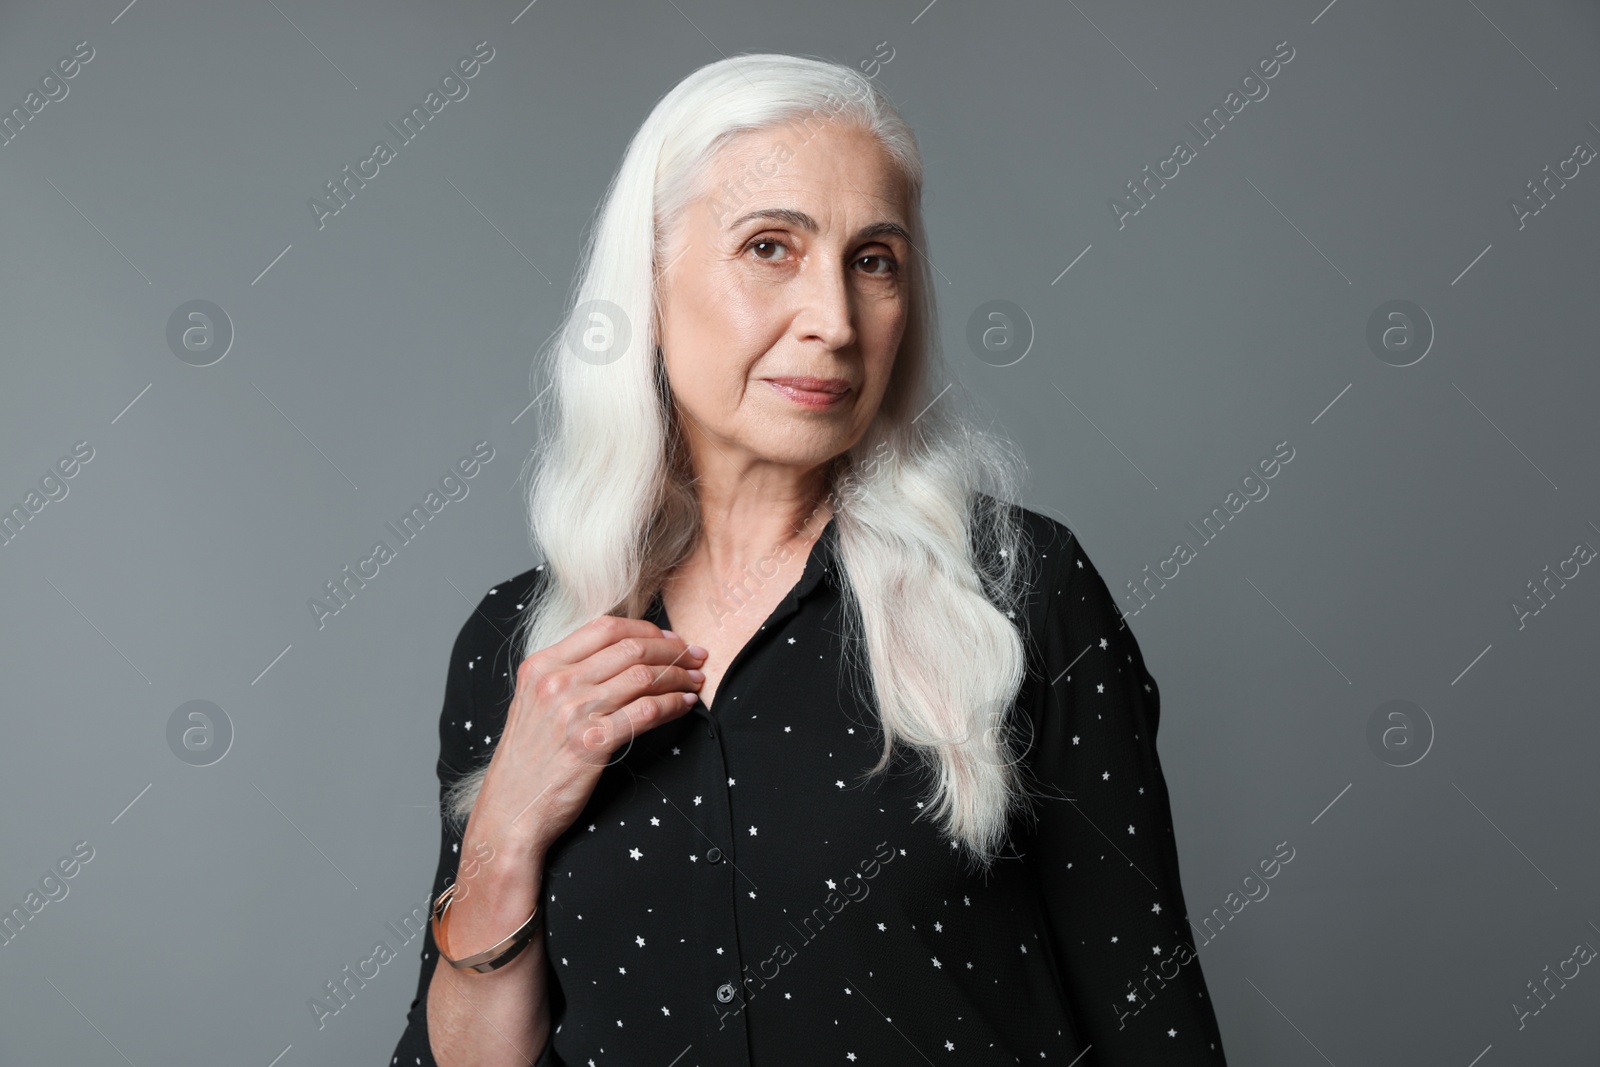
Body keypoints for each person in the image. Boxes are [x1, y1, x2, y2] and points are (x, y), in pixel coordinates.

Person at [391, 52, 1227, 1066]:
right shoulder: (513, 648)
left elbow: (1153, 1018)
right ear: (647, 284)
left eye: (873, 260)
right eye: (770, 247)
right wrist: (503, 829)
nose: (833, 320)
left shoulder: (1019, 589)